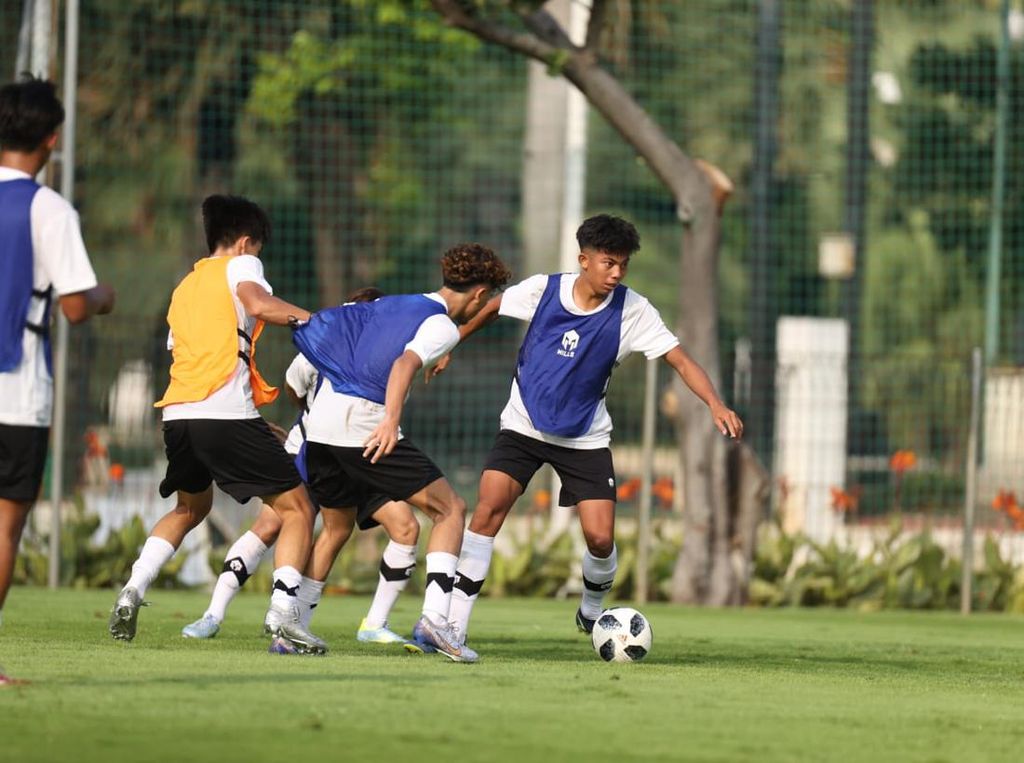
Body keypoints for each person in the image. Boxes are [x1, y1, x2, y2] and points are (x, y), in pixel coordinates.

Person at [442, 214, 743, 649]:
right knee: (488, 510)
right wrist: (450, 344)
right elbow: (491, 306)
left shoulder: (633, 310)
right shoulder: (543, 290)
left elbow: (680, 359)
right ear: (584, 259)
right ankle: (453, 624)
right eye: (608, 263)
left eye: (623, 264)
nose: (617, 273)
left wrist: (715, 403)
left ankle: (591, 606)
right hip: (523, 425)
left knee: (600, 539)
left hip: (584, 437)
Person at [108, 194, 326, 654]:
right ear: (246, 242)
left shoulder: (186, 286)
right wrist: (316, 322)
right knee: (298, 509)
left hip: (179, 416)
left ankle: (132, 588)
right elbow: (260, 304)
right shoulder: (242, 266)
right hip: (222, 414)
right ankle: (284, 616)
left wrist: (253, 421)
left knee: (190, 508)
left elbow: (197, 358)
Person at [293, 243, 511, 662]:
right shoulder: (442, 325)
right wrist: (391, 418)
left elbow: (348, 330)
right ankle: (435, 620)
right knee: (450, 509)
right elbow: (404, 364)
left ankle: (292, 624)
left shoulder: (396, 303)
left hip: (319, 426)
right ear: (480, 294)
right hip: (365, 425)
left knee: (336, 528)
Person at [181, 287, 423, 646]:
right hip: (313, 448)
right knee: (271, 524)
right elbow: (295, 386)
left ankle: (354, 624)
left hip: (366, 450)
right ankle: (213, 614)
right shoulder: (331, 336)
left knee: (398, 527)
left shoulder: (395, 345)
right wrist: (310, 417)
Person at [0, 76, 116, 630]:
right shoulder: (49, 210)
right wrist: (103, 296)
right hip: (16, 389)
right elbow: (73, 306)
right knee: (3, 528)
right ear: (51, 138)